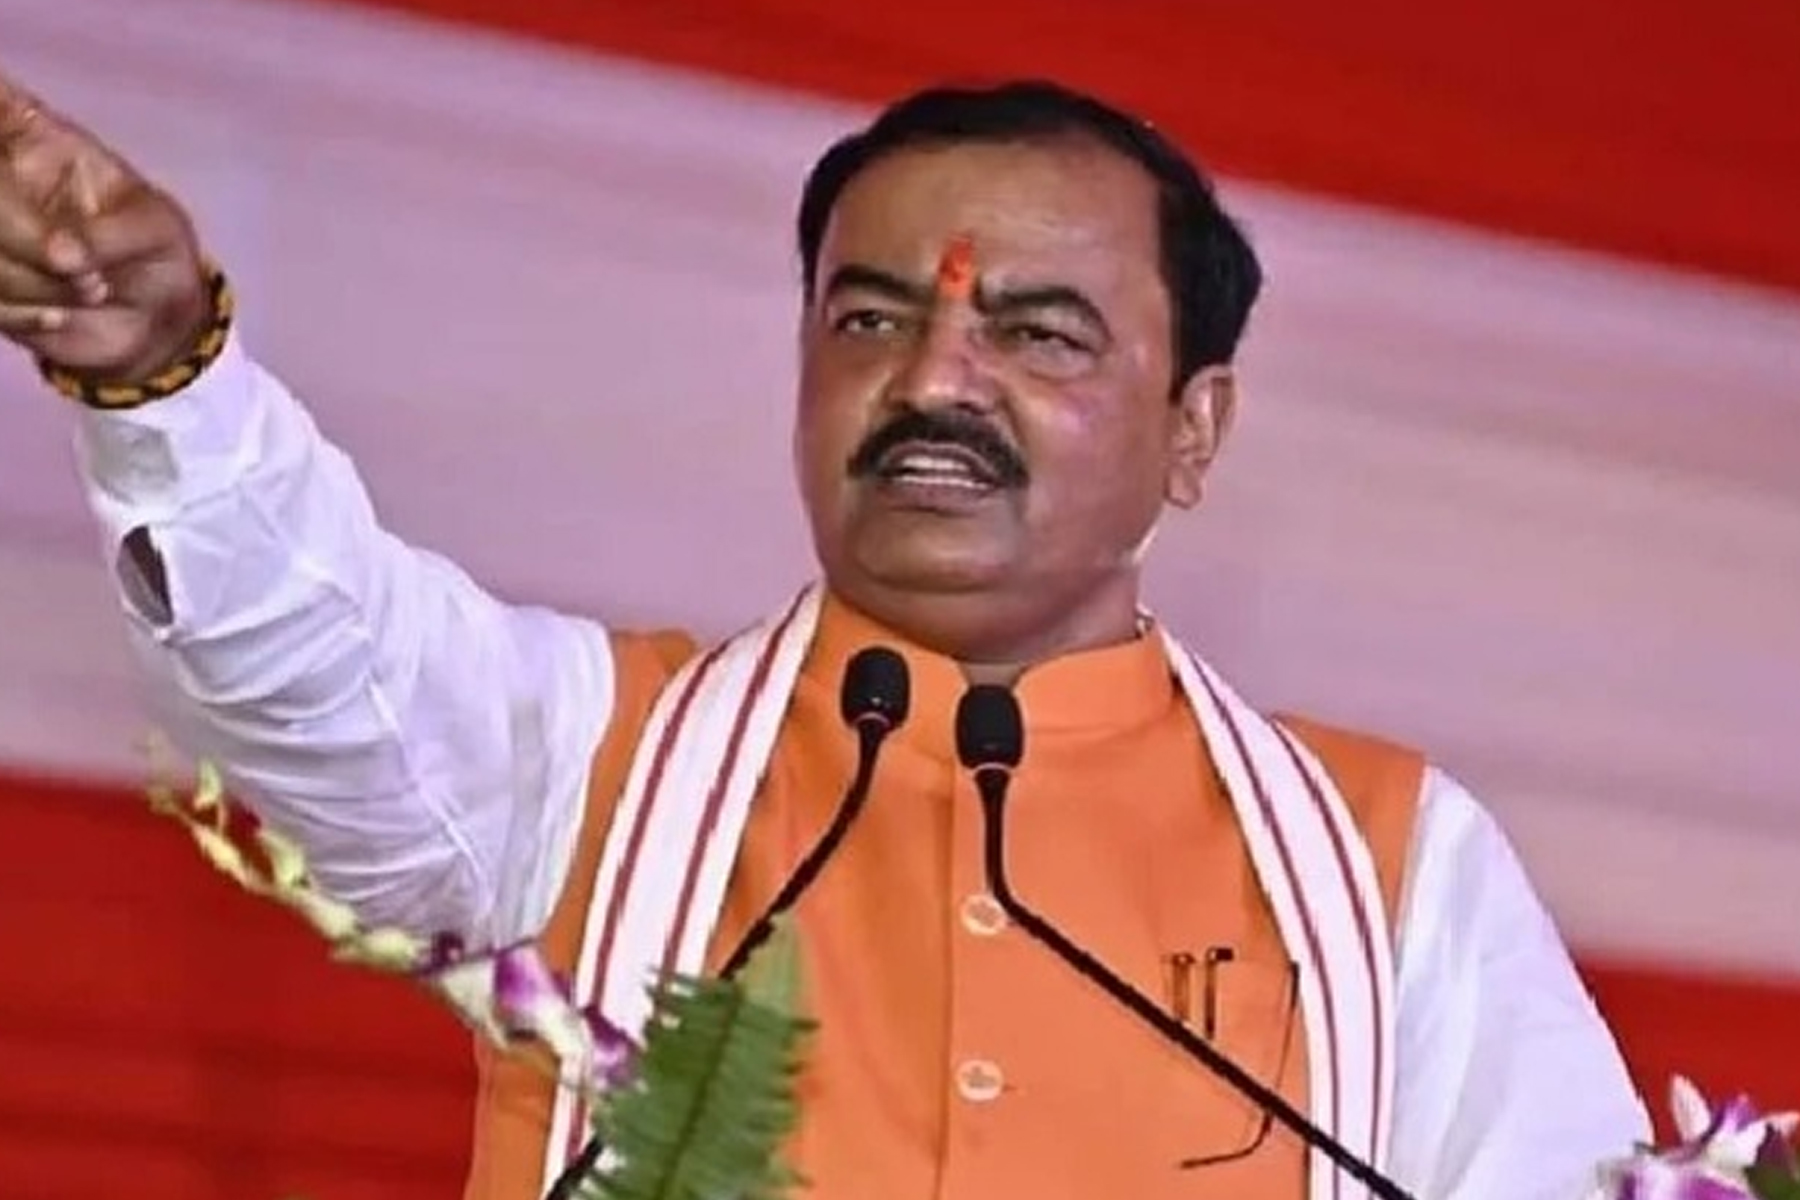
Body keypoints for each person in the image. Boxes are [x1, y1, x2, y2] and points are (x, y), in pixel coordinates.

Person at [0, 68, 1647, 1200]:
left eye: (1038, 335)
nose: (934, 381)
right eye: (871, 317)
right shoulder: (596, 759)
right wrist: (162, 378)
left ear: (1193, 429)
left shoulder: (1388, 865)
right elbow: (312, 666)